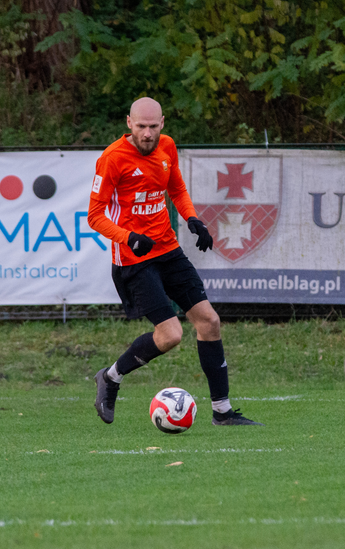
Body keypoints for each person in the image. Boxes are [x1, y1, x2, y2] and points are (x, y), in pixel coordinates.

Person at [88, 97, 261, 427]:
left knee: (209, 321)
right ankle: (110, 377)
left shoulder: (167, 147)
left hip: (167, 249)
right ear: (129, 123)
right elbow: (94, 217)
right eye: (141, 126)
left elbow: (176, 188)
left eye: (153, 126)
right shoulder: (111, 159)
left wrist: (193, 219)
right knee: (170, 335)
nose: (148, 133)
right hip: (133, 258)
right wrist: (129, 237)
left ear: (163, 123)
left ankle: (222, 412)